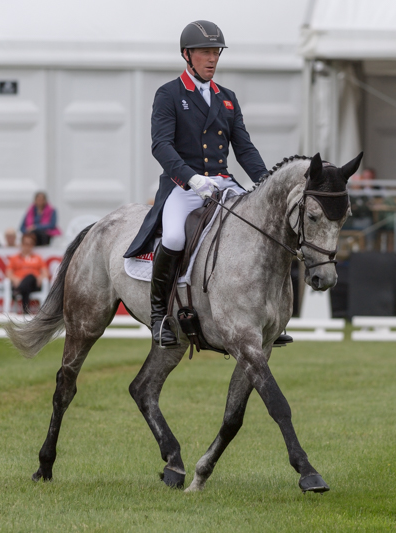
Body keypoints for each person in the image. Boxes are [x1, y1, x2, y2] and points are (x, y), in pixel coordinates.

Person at [123, 20, 289, 347]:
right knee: (173, 237)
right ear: (187, 54)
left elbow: (244, 148)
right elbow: (161, 145)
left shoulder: (226, 98)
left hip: (224, 184)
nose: (212, 59)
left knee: (263, 228)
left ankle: (270, 316)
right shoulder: (169, 94)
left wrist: (268, 185)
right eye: (205, 52)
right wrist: (190, 177)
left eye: (216, 52)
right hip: (184, 186)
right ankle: (159, 316)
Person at [6, 233, 49, 314]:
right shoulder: (14, 258)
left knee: (30, 276)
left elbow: (45, 273)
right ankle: (26, 312)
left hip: (34, 284)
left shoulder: (38, 258)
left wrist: (40, 278)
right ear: (22, 244)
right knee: (26, 287)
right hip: (19, 283)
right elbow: (8, 273)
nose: (27, 246)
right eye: (26, 244)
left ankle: (19, 290)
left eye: (30, 244)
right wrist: (15, 279)